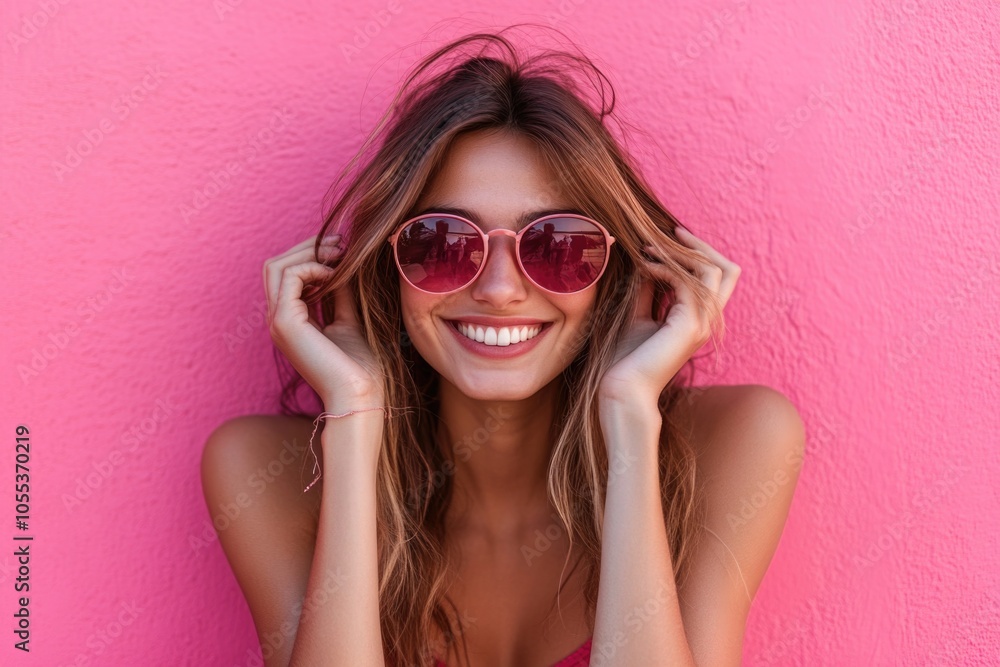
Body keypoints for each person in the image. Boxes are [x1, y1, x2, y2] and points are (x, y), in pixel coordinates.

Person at [200, 25, 805, 667]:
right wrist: (353, 419)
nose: (497, 290)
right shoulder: (267, 470)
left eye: (559, 244)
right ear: (386, 269)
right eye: (441, 242)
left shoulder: (735, 440)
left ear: (618, 276)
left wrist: (629, 414)